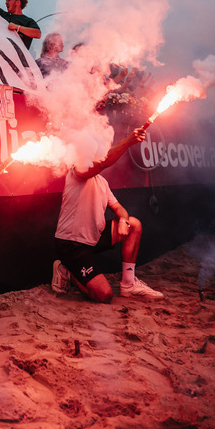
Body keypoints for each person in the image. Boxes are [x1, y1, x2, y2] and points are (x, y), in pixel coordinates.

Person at [52, 125, 163, 302]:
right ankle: (67, 271)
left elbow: (119, 208)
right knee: (104, 295)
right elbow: (103, 163)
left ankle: (128, 283)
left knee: (133, 224)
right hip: (73, 245)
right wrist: (128, 141)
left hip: (93, 237)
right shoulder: (78, 171)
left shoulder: (101, 181)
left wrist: (123, 221)